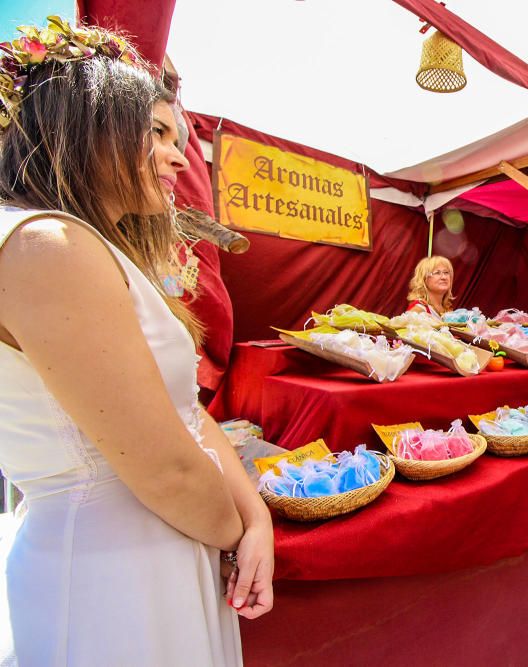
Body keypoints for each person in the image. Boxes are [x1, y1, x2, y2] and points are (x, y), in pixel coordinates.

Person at [0, 19, 272, 664]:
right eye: (156, 131)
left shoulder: (87, 247)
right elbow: (168, 469)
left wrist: (255, 519)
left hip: (165, 546)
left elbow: (187, 415)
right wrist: (236, 535)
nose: (180, 157)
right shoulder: (45, 246)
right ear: (80, 122)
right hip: (112, 577)